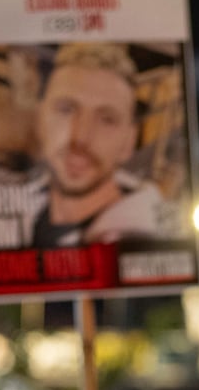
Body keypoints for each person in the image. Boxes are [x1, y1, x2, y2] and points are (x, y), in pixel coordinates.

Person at [23, 43, 182, 249]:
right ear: (39, 118)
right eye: (66, 109)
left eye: (107, 119)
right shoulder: (19, 207)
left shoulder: (150, 240)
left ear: (129, 142)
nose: (80, 137)